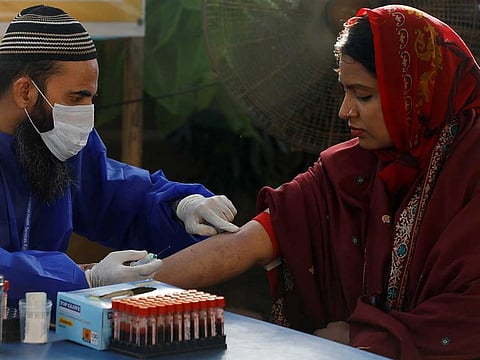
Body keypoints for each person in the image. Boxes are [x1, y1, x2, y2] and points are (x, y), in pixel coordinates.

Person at [153, 4, 480, 359]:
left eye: (363, 95)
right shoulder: (348, 167)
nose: (345, 111)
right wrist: (115, 284)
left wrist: (370, 338)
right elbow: (247, 243)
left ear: (413, 91)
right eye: (344, 91)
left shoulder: (470, 168)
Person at [0, 5, 240, 311]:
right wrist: (86, 280)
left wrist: (180, 207)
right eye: (76, 97)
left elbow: (115, 194)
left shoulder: (56, 139)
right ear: (25, 92)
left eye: (90, 97)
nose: (85, 112)